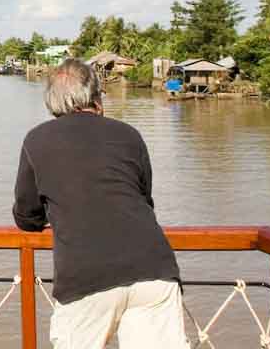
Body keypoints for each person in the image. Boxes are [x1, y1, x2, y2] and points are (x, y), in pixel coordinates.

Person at [14, 59, 185, 348]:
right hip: (154, 269)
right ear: (96, 96)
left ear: (51, 102)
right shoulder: (129, 135)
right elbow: (144, 200)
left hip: (86, 276)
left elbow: (26, 216)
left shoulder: (37, 140)